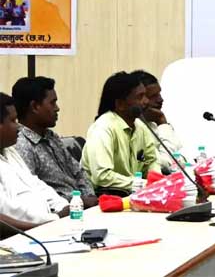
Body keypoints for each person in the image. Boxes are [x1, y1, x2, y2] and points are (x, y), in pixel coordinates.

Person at [12, 76, 98, 207]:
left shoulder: (51, 137)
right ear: (34, 106)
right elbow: (33, 194)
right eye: (52, 103)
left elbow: (79, 172)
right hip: (62, 212)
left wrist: (89, 197)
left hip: (81, 206)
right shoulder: (21, 145)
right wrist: (79, 202)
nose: (57, 108)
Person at [81, 71, 161, 195]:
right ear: (120, 104)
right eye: (140, 97)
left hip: (132, 193)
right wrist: (143, 184)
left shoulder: (141, 127)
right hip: (102, 196)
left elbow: (151, 161)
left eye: (145, 95)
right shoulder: (103, 128)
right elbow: (102, 176)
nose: (146, 101)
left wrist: (156, 182)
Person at [0, 92, 69, 226]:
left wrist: (63, 206)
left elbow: (35, 184)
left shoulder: (9, 150)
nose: (18, 127)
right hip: (27, 231)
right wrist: (53, 219)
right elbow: (9, 210)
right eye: (13, 121)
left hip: (48, 222)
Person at [132, 70, 186, 172]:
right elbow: (165, 165)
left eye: (159, 94)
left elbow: (181, 157)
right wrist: (162, 123)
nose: (160, 100)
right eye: (153, 96)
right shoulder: (134, 128)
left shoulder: (153, 122)